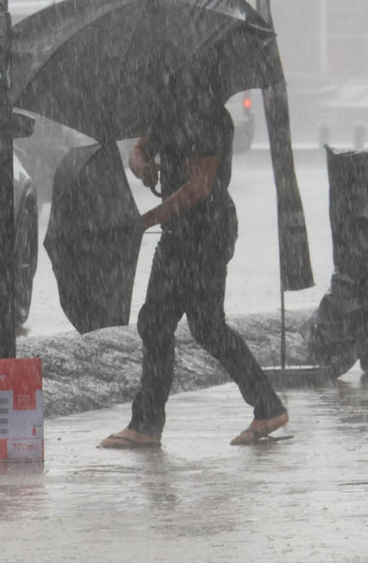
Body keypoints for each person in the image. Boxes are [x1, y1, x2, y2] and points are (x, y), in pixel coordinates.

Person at [100, 89, 287, 448]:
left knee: (187, 324)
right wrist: (143, 166)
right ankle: (264, 406)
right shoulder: (168, 107)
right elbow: (138, 151)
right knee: (178, 323)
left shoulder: (209, 115)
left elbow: (201, 186)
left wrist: (148, 218)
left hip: (206, 232)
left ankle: (148, 423)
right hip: (181, 232)